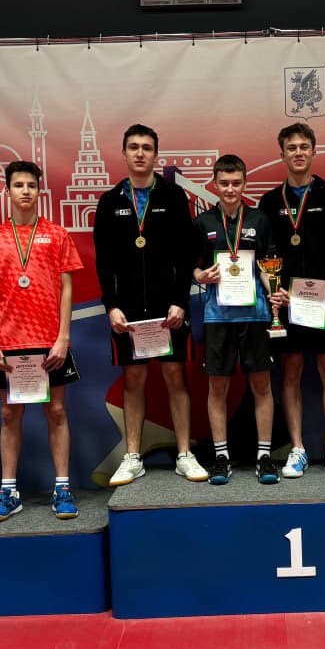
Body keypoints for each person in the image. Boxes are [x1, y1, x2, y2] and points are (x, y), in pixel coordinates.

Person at [93, 124, 208, 486]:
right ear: (124, 153)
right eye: (134, 147)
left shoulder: (173, 196)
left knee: (175, 376)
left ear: (156, 155)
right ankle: (132, 456)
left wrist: (180, 302)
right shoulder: (110, 201)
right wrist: (111, 306)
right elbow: (103, 262)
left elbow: (186, 254)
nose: (140, 153)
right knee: (134, 379)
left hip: (168, 307)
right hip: (128, 310)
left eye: (146, 148)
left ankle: (185, 454)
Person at [0, 161, 84, 520]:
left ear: (40, 191)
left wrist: (63, 337)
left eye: (31, 185)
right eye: (18, 185)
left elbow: (67, 287)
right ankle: (8, 492)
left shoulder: (56, 234)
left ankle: (62, 488)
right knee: (9, 414)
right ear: (7, 190)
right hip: (10, 341)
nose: (25, 191)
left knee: (57, 412)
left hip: (49, 340)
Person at [257, 123, 325, 479]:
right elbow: (266, 256)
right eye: (291, 147)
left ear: (314, 151)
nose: (298, 152)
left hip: (324, 300)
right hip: (287, 302)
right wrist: (275, 291)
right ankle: (297, 448)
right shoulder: (270, 202)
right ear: (282, 154)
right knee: (291, 370)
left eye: (304, 146)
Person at [192, 154, 285, 485]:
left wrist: (275, 292)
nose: (230, 189)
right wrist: (200, 276)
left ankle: (264, 456)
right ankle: (221, 457)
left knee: (261, 384)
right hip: (218, 316)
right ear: (214, 185)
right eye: (224, 183)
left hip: (255, 314)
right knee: (217, 386)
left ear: (245, 184)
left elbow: (268, 266)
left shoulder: (259, 219)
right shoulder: (202, 222)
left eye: (236, 183)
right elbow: (194, 266)